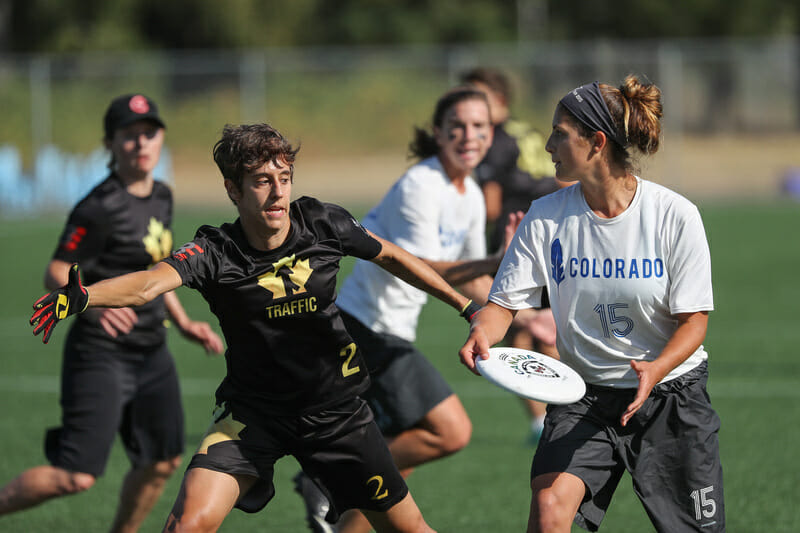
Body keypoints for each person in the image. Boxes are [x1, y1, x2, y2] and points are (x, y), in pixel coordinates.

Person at [30, 122, 482, 532]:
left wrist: (465, 305)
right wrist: (85, 295)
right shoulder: (215, 251)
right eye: (262, 182)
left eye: (284, 179)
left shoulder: (324, 222)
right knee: (188, 523)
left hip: (338, 415)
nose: (277, 194)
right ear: (234, 190)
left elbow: (393, 255)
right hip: (254, 416)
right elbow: (150, 283)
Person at [459, 76, 725, 532]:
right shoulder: (546, 216)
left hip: (671, 399)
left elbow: (693, 323)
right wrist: (484, 329)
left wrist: (656, 368)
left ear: (596, 142)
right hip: (583, 396)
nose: (547, 145)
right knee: (548, 509)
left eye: (560, 133)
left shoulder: (674, 216)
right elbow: (504, 304)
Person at [293, 86, 537, 533]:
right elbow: (420, 266)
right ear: (438, 133)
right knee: (450, 430)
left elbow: (469, 276)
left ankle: (333, 487)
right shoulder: (421, 184)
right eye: (457, 126)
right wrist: (494, 261)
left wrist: (521, 311)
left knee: (393, 476)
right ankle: (325, 477)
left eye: (479, 126)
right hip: (361, 328)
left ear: (492, 133)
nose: (469, 135)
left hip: (390, 333)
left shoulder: (473, 194)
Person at [0, 94, 224, 532]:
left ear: (160, 139)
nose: (141, 144)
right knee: (76, 475)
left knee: (162, 462)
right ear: (110, 143)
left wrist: (182, 322)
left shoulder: (162, 195)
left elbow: (158, 269)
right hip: (101, 353)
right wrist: (92, 307)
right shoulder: (97, 206)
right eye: (129, 135)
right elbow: (55, 270)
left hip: (152, 351)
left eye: (149, 133)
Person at [460, 67, 563, 443]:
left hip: (518, 238)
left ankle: (543, 420)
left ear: (499, 100)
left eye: (476, 96)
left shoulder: (497, 141)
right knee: (543, 328)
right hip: (550, 234)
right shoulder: (528, 132)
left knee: (520, 327)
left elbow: (489, 207)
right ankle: (555, 411)